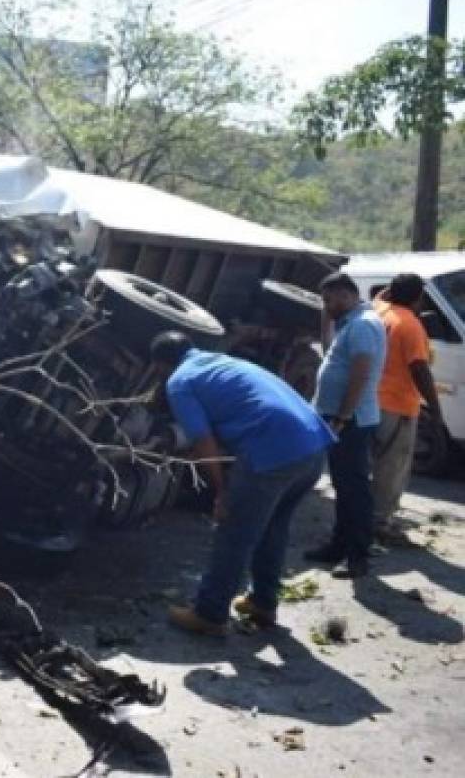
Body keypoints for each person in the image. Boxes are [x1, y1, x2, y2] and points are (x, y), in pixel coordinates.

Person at [151, 332, 335, 637]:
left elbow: (203, 442)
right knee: (274, 527)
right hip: (314, 446)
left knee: (234, 531)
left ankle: (209, 613)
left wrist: (222, 491)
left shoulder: (180, 381)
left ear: (160, 365)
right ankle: (263, 603)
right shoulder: (222, 362)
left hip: (273, 450)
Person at [306, 271, 386, 579]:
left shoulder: (364, 325)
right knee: (343, 485)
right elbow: (331, 355)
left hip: (350, 419)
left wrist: (342, 416)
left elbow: (361, 374)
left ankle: (357, 556)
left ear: (346, 295)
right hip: (342, 417)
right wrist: (324, 316)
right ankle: (338, 546)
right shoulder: (350, 322)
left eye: (329, 300)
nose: (327, 306)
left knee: (354, 488)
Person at [371, 273, 444, 541]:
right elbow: (419, 368)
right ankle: (380, 523)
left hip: (373, 402)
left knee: (374, 462)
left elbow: (380, 297)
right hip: (398, 405)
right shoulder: (410, 325)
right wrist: (435, 408)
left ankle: (368, 516)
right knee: (392, 466)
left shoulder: (379, 311)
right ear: (418, 297)